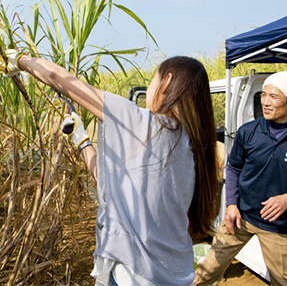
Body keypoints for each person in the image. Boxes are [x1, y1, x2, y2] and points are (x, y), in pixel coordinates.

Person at [1, 50, 220, 286]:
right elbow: (111, 184)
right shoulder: (192, 145)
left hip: (133, 277)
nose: (149, 87)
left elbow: (59, 78)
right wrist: (81, 139)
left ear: (166, 81)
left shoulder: (141, 121)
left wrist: (20, 60)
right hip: (176, 275)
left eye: (153, 79)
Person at [194, 71, 287, 286]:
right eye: (263, 95)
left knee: (285, 282)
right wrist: (231, 205)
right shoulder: (248, 131)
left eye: (274, 97)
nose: (266, 102)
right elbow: (234, 169)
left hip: (280, 227)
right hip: (240, 218)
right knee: (206, 272)